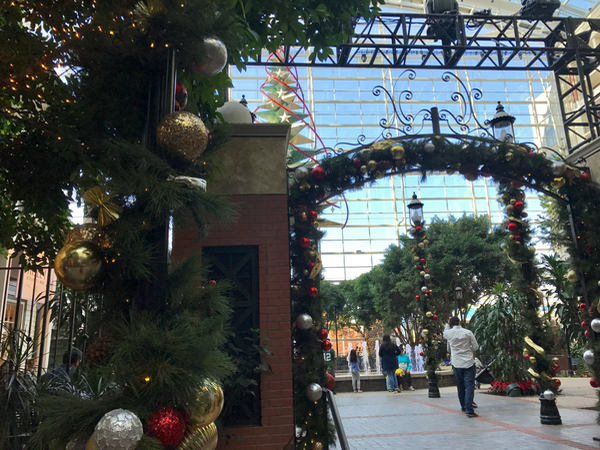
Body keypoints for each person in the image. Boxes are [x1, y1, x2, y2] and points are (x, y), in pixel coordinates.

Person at [444, 316, 479, 417]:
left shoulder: (449, 333)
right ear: (459, 322)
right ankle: (469, 409)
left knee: (460, 386)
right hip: (469, 362)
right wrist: (468, 349)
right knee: (469, 386)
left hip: (456, 363)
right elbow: (476, 347)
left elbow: (445, 332)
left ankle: (463, 406)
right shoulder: (468, 333)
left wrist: (448, 322)